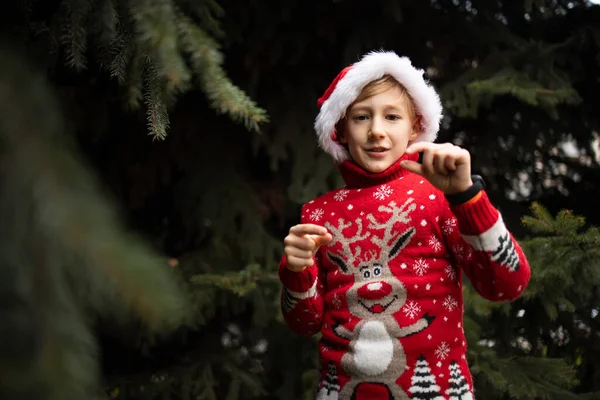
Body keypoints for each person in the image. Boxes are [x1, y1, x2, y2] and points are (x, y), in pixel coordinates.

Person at [278, 51, 531, 400]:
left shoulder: (439, 198)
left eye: (392, 116)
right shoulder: (319, 216)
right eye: (362, 117)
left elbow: (506, 283)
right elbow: (304, 323)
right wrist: (296, 271)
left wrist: (468, 198)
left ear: (415, 126)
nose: (376, 131)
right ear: (340, 129)